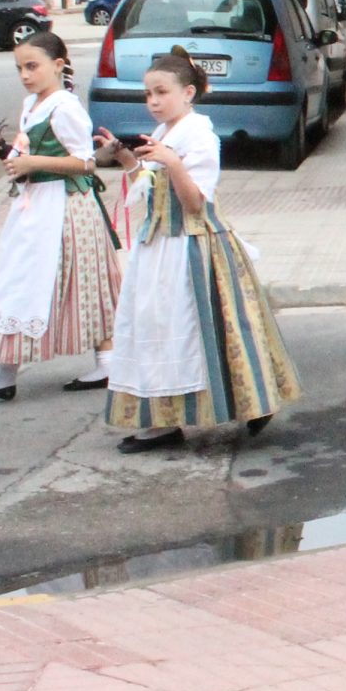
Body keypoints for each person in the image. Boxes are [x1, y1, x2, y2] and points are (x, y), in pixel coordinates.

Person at [100, 48, 302, 451]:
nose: (153, 101)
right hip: (160, 245)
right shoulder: (165, 132)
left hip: (194, 247)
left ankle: (251, 402)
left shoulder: (199, 135)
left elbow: (195, 203)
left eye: (162, 92)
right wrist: (125, 157)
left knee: (207, 330)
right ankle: (163, 421)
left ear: (188, 92)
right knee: (158, 329)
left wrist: (172, 163)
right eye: (148, 94)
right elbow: (151, 188)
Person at [0, 32, 118, 400]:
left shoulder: (65, 108)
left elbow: (86, 162)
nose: (25, 75)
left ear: (58, 65)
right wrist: (6, 153)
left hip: (66, 206)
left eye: (32, 66)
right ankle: (5, 372)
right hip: (36, 203)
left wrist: (32, 162)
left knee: (74, 281)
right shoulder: (33, 104)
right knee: (33, 281)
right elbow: (28, 151)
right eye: (20, 68)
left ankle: (104, 362)